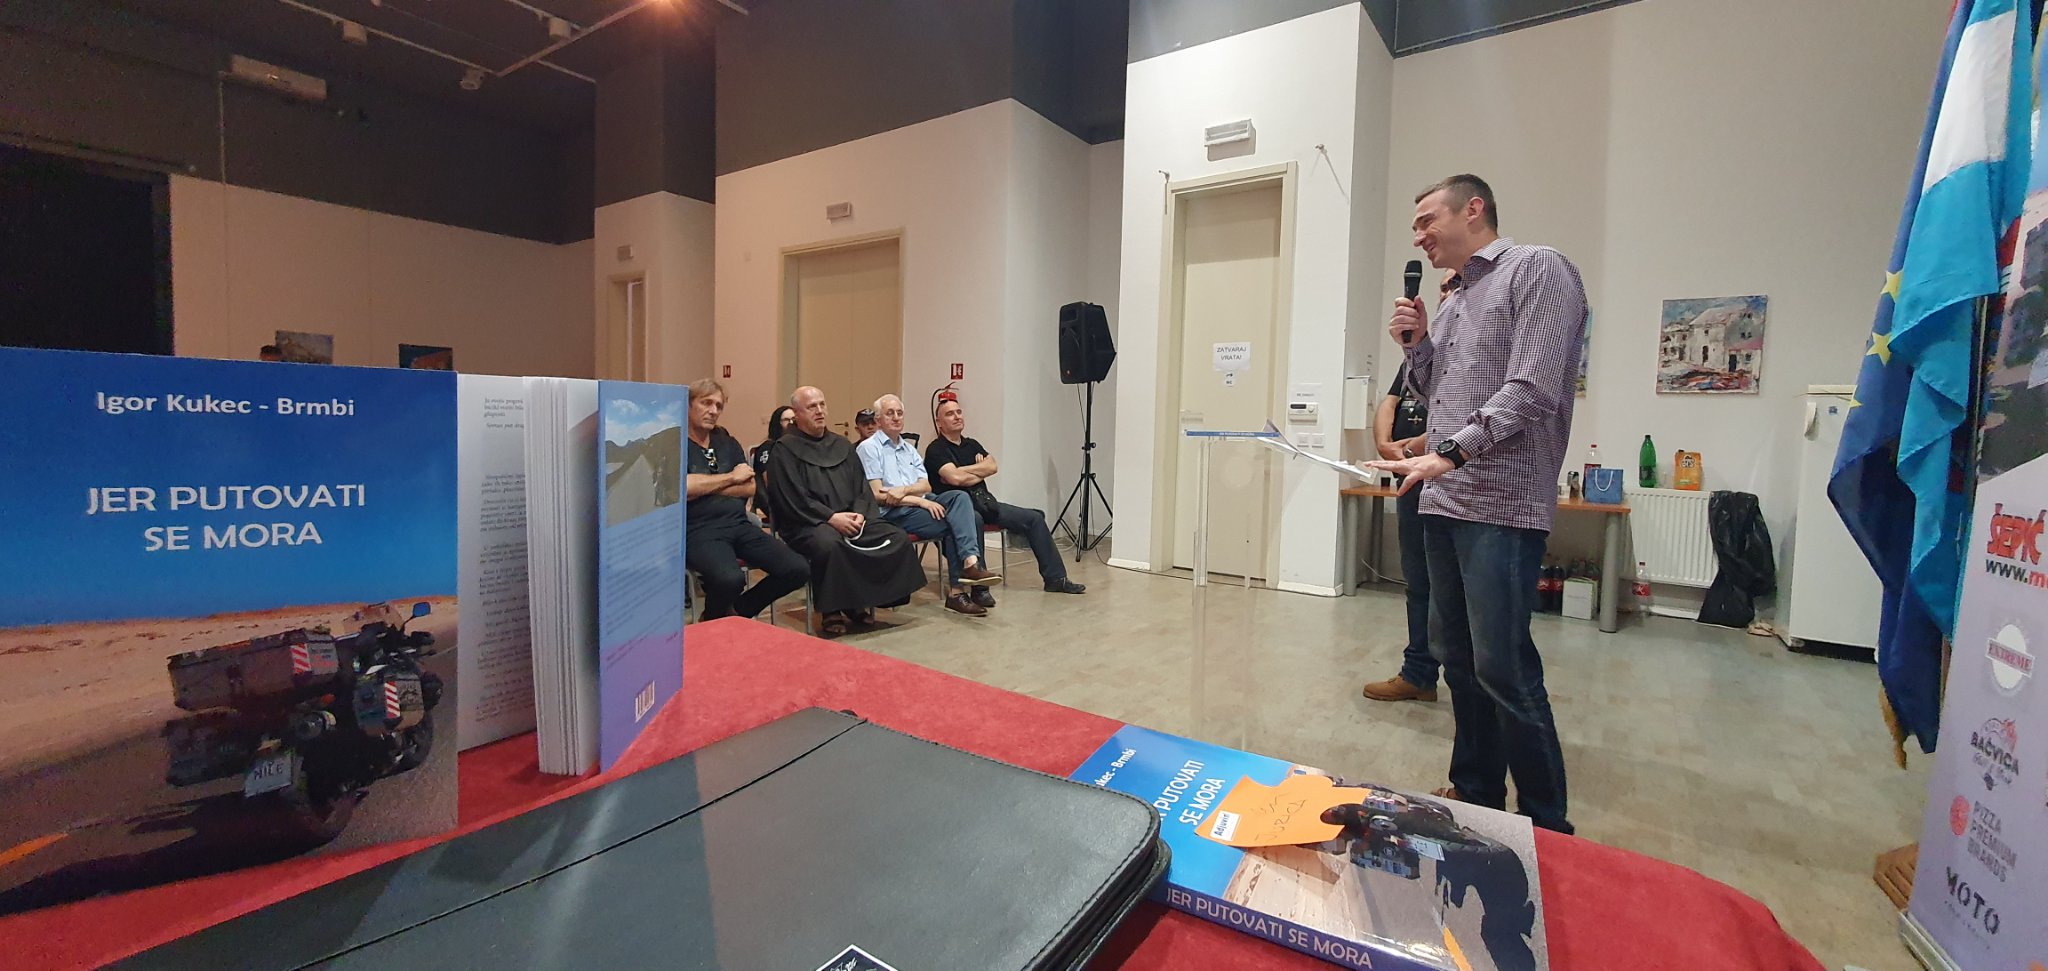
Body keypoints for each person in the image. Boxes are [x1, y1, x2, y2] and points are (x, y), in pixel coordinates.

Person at [1365, 174, 1585, 835]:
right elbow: (1435, 392)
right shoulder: (1456, 296)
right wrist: (1417, 346)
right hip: (1444, 498)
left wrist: (1452, 452)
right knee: (1455, 658)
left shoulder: (1537, 269)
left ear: (1474, 209)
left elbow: (1532, 389)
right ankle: (1476, 793)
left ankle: (1547, 825)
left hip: (1500, 504)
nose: (1419, 236)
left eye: (1427, 220)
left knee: (1503, 666)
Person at [1361, 269, 1458, 704]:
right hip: (1412, 483)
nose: (1447, 293)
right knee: (1417, 582)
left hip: (1453, 481)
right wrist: (1386, 444)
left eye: (1455, 284)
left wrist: (1415, 446)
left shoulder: (1473, 350)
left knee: (1453, 591)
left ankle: (1469, 688)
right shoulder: (1425, 352)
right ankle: (1419, 673)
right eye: (1443, 287)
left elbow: (1459, 418)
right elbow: (1390, 401)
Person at [761, 387, 928, 635]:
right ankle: (832, 610)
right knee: (830, 544)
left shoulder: (841, 444)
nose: (819, 411)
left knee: (896, 537)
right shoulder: (784, 449)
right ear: (797, 414)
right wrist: (831, 517)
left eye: (822, 404)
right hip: (808, 523)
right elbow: (792, 497)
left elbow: (861, 488)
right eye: (812, 407)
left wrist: (859, 513)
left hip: (852, 517)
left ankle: (862, 600)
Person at [926, 397, 1086, 598]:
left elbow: (992, 466)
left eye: (959, 412)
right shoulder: (936, 450)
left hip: (984, 503)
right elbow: (956, 479)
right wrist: (978, 470)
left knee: (1034, 518)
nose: (957, 416)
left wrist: (966, 471)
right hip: (958, 511)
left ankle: (1056, 579)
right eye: (950, 414)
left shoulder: (972, 444)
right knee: (975, 520)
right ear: (939, 422)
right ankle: (980, 589)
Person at [857, 394, 1002, 616]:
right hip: (893, 512)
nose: (896, 417)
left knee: (959, 497)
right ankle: (957, 592)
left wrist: (906, 491)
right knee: (953, 523)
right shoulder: (869, 448)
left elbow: (925, 485)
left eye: (899, 413)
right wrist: (919, 501)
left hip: (918, 501)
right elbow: (878, 494)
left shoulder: (908, 449)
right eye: (889, 413)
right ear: (878, 420)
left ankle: (971, 563)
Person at [681, 380, 810, 621]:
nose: (713, 411)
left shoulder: (727, 443)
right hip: (698, 529)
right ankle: (714, 622)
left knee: (797, 569)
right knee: (730, 579)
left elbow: (750, 486)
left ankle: (736, 613)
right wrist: (730, 478)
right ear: (688, 405)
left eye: (718, 406)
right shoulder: (675, 443)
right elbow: (683, 488)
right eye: (706, 403)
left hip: (738, 524)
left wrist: (705, 485)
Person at [748, 404, 795, 523]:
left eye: (794, 419)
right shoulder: (767, 447)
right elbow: (770, 482)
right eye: (786, 420)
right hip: (778, 502)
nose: (791, 423)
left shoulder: (800, 447)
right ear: (777, 423)